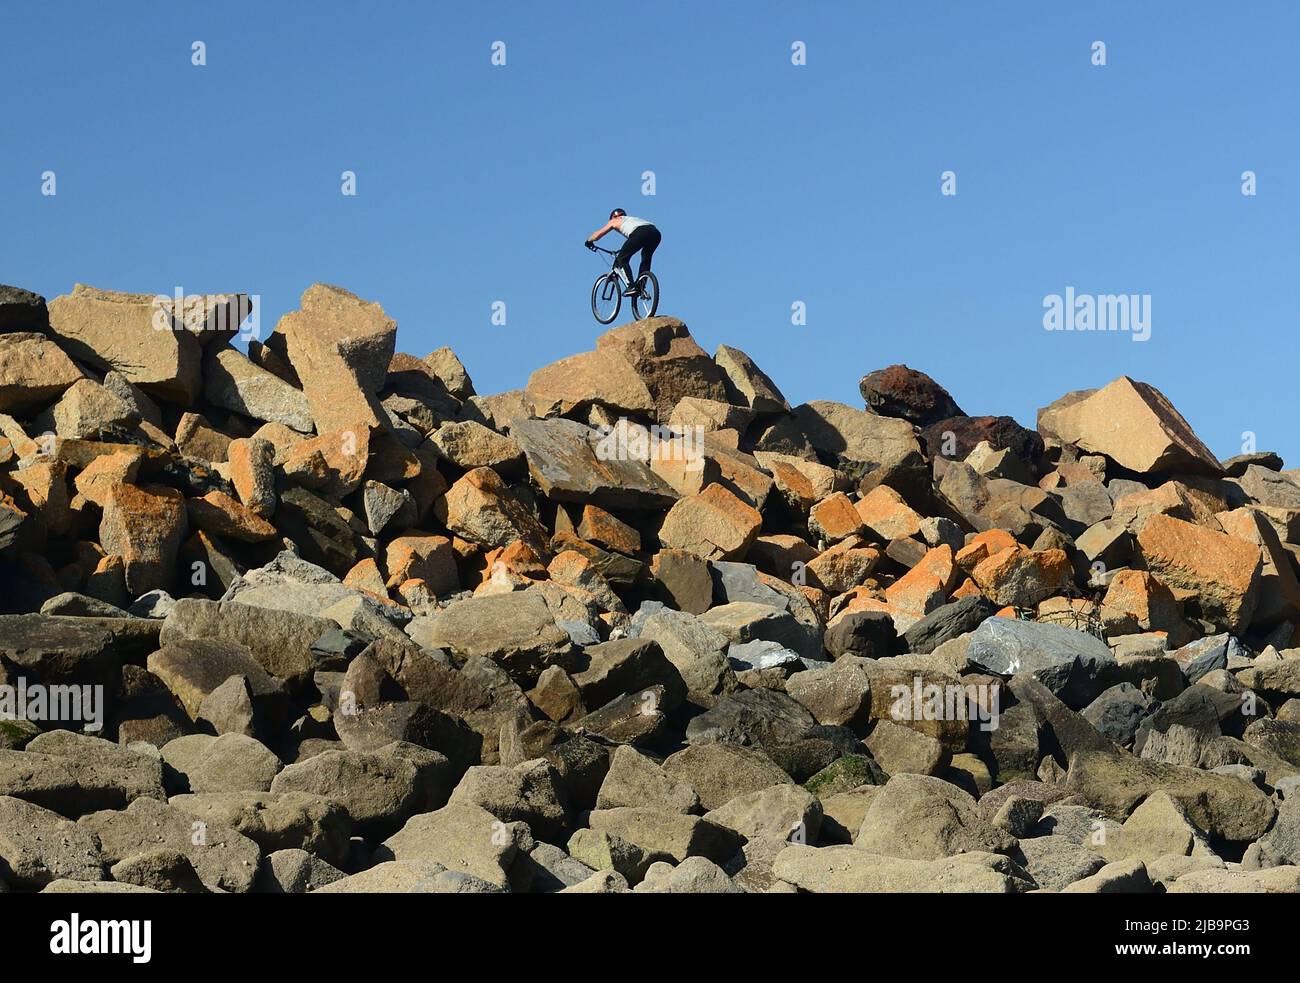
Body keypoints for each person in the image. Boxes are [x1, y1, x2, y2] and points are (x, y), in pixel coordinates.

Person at [585, 209, 661, 295]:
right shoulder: (631, 219)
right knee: (646, 258)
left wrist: (589, 241)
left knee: (622, 258)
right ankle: (641, 287)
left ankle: (631, 286)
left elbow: (597, 234)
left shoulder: (614, 220)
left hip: (640, 232)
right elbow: (633, 242)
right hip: (655, 233)